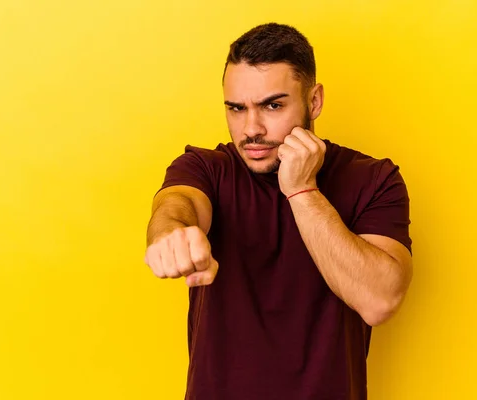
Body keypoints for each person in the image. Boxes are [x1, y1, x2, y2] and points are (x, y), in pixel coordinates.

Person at [144, 22, 413, 400]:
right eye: (236, 109)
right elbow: (177, 205)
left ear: (314, 101)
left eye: (273, 105)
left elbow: (380, 300)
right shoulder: (205, 168)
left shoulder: (373, 179)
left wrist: (302, 190)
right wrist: (171, 233)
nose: (251, 128)